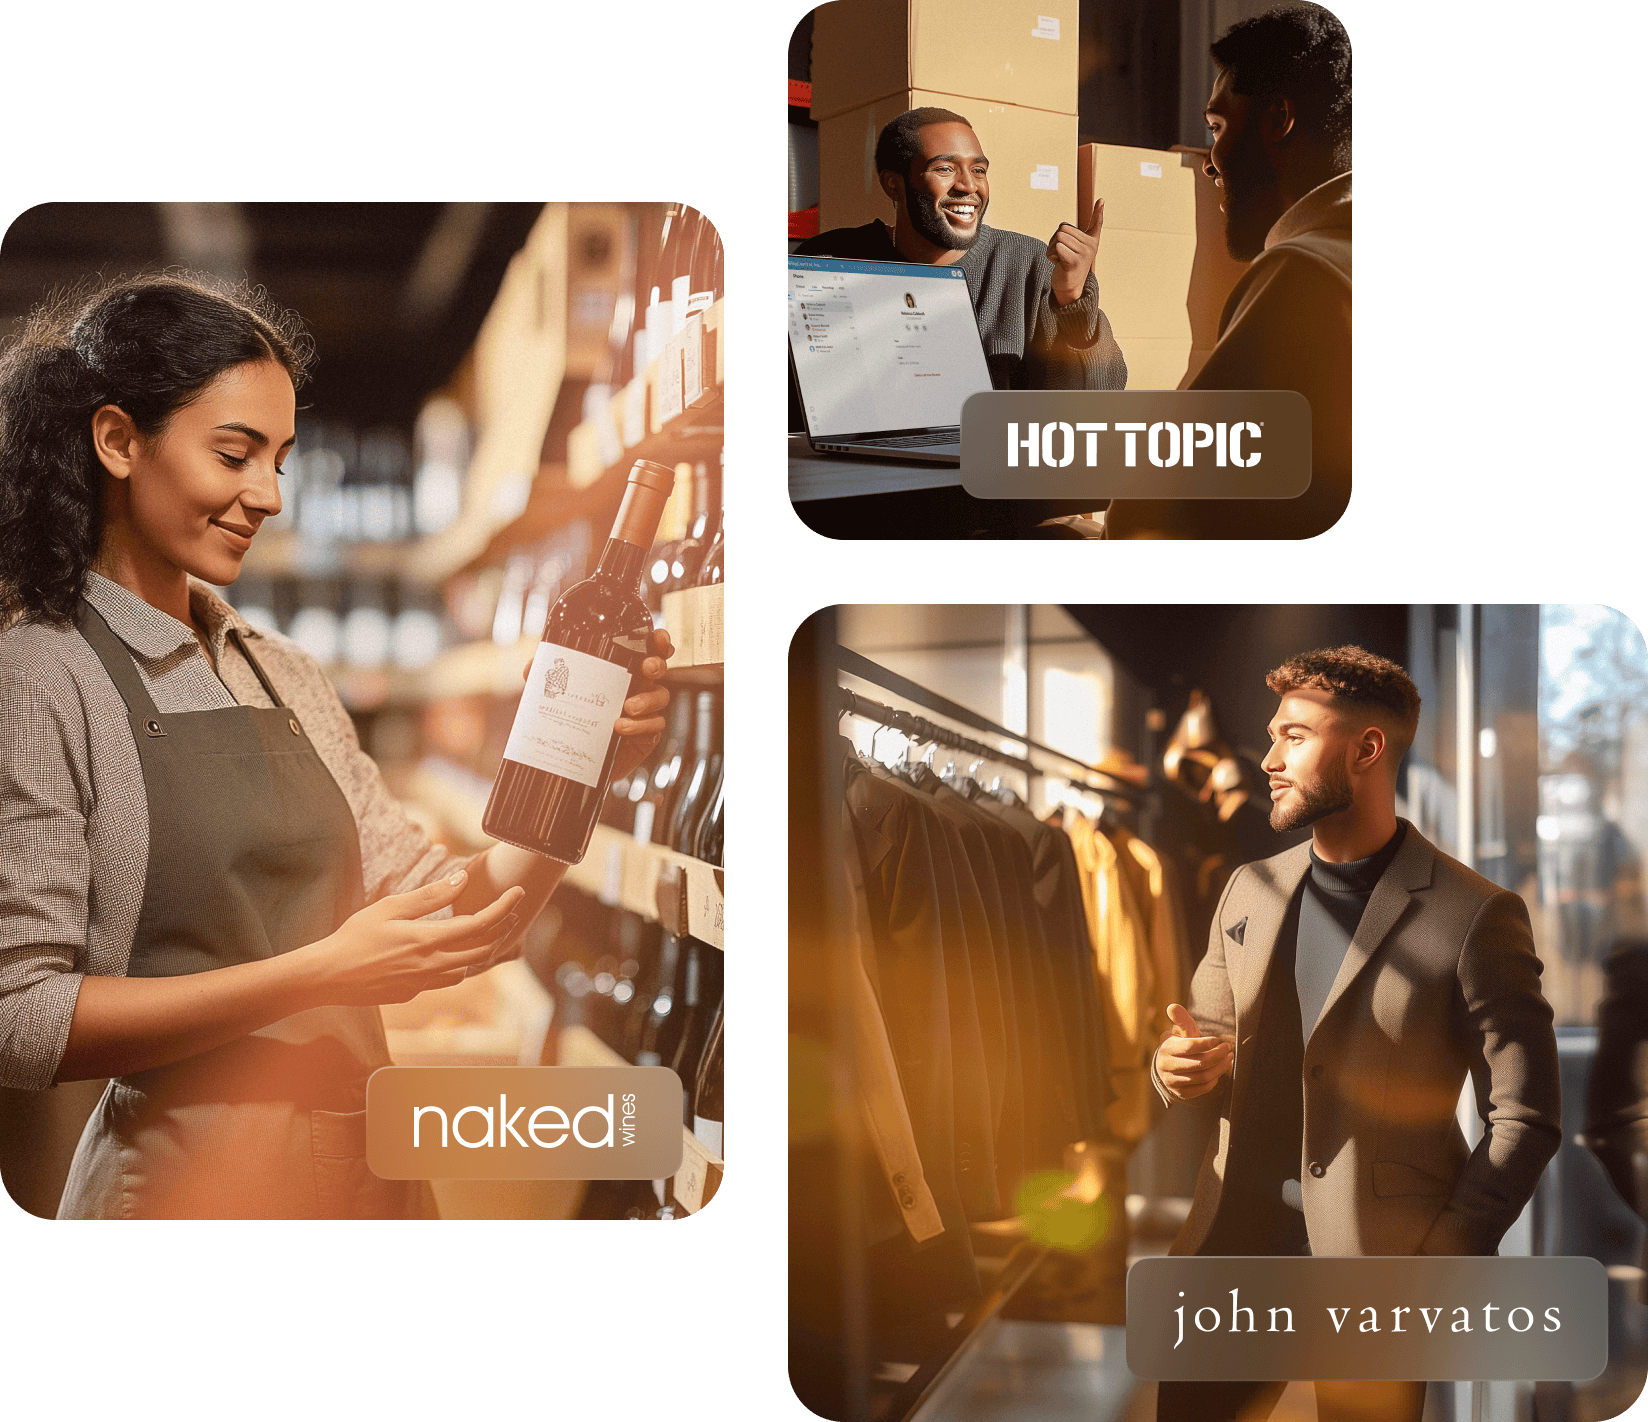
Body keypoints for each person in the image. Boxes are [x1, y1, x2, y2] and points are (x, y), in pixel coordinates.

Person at [0, 271, 673, 1219]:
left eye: (280, 458)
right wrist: (320, 974)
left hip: (368, 1177)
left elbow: (463, 922)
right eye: (234, 454)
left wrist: (584, 772)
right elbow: (20, 1019)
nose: (268, 494)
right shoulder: (44, 673)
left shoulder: (281, 671)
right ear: (117, 441)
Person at [1151, 645, 1559, 1422]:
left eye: (1295, 737)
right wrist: (1176, 1067)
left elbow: (1525, 1117)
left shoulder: (1475, 915)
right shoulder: (1251, 886)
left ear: (1367, 749)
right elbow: (1199, 1039)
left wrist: (1444, 1255)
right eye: (1273, 735)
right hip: (1228, 1252)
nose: (1269, 759)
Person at [795, 107, 1123, 537]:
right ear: (893, 182)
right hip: (868, 502)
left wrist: (1073, 301)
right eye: (945, 168)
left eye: (979, 170)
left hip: (996, 512)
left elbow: (1089, 410)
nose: (968, 186)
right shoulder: (828, 259)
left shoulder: (1031, 264)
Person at [1105, 3, 1351, 541]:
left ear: (1277, 120)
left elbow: (1154, 520)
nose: (1211, 161)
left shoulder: (1305, 272)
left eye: (1218, 126)